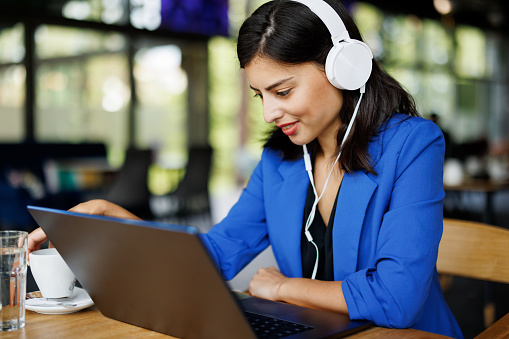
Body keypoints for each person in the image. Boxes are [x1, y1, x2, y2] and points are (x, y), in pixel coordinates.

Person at [27, 0, 463, 337]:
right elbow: (217, 254)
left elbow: (397, 298)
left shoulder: (413, 144)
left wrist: (281, 288)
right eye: (260, 95)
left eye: (283, 89)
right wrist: (121, 223)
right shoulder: (280, 162)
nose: (270, 111)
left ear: (343, 68)